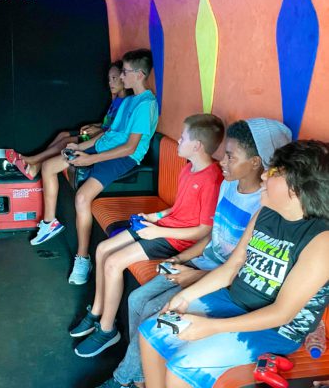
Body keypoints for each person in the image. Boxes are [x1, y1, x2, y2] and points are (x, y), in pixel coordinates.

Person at [98, 118, 292, 388]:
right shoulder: (228, 185)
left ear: (257, 163)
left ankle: (122, 379)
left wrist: (193, 275)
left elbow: (239, 270)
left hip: (215, 277)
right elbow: (212, 236)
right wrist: (180, 259)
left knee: (154, 310)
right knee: (136, 298)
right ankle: (141, 376)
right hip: (200, 263)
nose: (221, 161)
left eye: (230, 156)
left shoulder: (263, 205)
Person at [139, 140, 329, 388]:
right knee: (150, 333)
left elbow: (282, 313)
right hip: (233, 300)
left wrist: (211, 327)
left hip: (277, 329)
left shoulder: (321, 239)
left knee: (182, 369)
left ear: (296, 187)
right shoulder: (265, 212)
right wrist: (186, 296)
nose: (262, 175)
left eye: (273, 172)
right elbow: (231, 268)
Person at [70, 114, 225, 358]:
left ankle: (108, 329)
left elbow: (203, 231)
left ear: (197, 146)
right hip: (164, 227)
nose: (179, 140)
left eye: (183, 137)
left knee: (113, 262)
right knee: (102, 250)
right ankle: (96, 312)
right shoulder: (188, 168)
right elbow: (177, 209)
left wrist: (158, 230)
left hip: (177, 239)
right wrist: (155, 216)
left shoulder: (213, 178)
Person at [29, 49, 158, 284]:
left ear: (139, 75)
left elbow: (130, 148)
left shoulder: (146, 105)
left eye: (126, 73)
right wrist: (82, 149)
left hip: (122, 158)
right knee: (49, 165)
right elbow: (107, 134)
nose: (122, 77)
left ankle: (83, 258)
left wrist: (89, 159)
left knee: (81, 198)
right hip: (102, 149)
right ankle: (49, 223)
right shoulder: (128, 100)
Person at [5, 60, 130, 179]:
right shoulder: (115, 99)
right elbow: (108, 121)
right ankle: (35, 165)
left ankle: (32, 161)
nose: (110, 82)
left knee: (65, 142)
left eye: (114, 78)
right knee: (62, 134)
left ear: (123, 78)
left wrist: (97, 129)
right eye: (109, 79)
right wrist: (94, 125)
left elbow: (114, 129)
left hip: (101, 137)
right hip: (98, 131)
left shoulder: (127, 102)